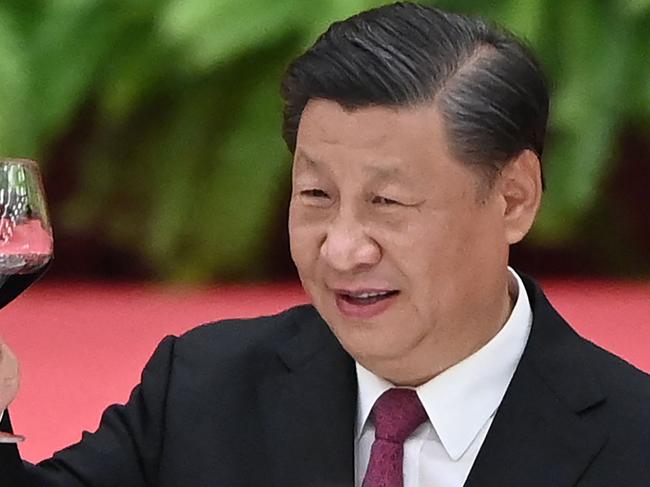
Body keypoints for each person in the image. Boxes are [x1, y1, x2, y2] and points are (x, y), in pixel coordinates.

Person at [1, 2, 649, 486]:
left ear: (513, 197)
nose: (340, 249)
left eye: (387, 203)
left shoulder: (632, 438)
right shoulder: (205, 390)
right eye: (315, 195)